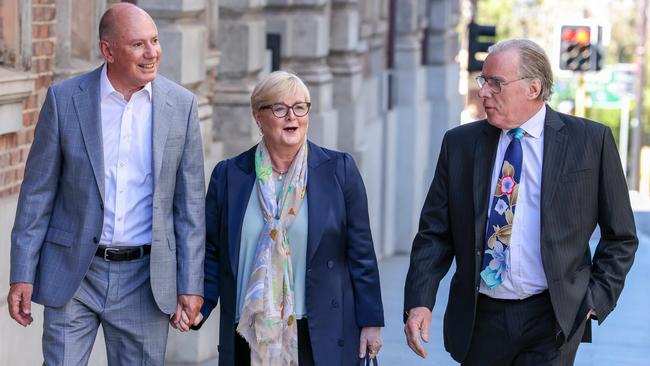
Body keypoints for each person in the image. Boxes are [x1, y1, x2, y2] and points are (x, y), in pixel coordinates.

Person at [403, 39, 638, 366]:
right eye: (483, 81)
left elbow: (622, 235)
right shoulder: (460, 145)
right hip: (480, 317)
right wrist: (419, 301)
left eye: (495, 83)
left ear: (533, 88)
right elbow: (434, 234)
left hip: (551, 319)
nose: (484, 92)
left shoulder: (590, 142)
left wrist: (595, 299)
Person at [7, 3, 205, 364]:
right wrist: (22, 273)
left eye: (155, 41)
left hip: (144, 279)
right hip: (74, 273)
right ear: (107, 51)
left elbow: (190, 205)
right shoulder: (65, 100)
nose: (152, 53)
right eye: (138, 45)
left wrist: (191, 283)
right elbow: (37, 194)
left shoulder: (182, 106)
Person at [194, 70, 384, 366]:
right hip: (249, 330)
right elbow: (212, 253)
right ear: (258, 116)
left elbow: (361, 253)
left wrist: (371, 320)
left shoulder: (339, 170)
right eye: (280, 108)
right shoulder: (229, 175)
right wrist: (197, 305)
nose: (291, 117)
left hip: (319, 331)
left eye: (300, 107)